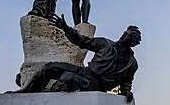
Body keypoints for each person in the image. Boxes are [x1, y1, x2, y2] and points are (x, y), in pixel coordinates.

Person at [12, 14, 140, 103]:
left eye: (127, 36)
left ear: (132, 43)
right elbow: (82, 41)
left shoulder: (131, 64)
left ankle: (47, 98)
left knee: (68, 77)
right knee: (50, 67)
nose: (123, 37)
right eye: (124, 34)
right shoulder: (105, 44)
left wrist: (126, 92)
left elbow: (127, 83)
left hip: (96, 85)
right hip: (85, 72)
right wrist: (66, 29)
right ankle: (25, 93)